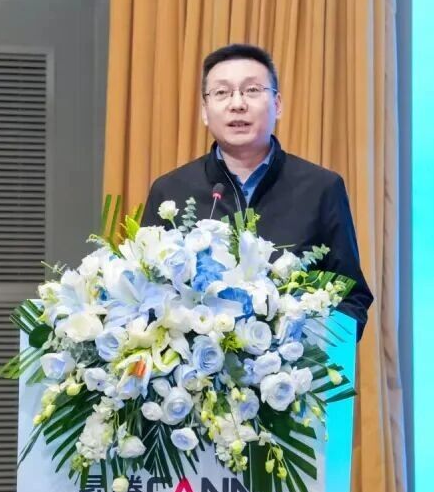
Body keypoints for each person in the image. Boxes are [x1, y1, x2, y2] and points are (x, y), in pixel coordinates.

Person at [140, 43, 373, 340]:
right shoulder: (170, 191)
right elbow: (147, 292)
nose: (237, 104)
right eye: (222, 92)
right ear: (205, 111)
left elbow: (350, 297)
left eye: (252, 90)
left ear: (277, 104)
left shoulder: (321, 188)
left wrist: (305, 354)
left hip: (294, 366)